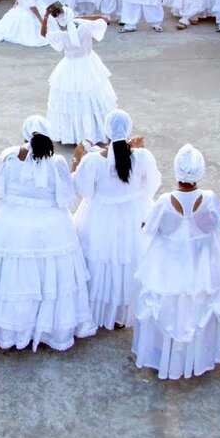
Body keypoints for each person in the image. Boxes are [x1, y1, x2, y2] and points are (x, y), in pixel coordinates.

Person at [0, 116, 95, 351]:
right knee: (50, 283)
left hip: (9, 225)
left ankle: (12, 329)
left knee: (13, 281)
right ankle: (48, 329)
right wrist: (76, 164)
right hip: (51, 227)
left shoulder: (8, 156)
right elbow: (65, 198)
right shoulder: (57, 162)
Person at [132, 144, 220, 379]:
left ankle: (164, 354)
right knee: (196, 309)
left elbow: (147, 229)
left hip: (167, 267)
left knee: (167, 308)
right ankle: (193, 357)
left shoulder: (165, 201)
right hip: (200, 268)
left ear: (176, 170)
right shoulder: (208, 199)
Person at [72, 109, 160, 330]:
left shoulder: (93, 160)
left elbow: (83, 189)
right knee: (127, 260)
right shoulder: (142, 156)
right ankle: (122, 313)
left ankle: (98, 308)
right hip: (133, 213)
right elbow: (151, 186)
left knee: (102, 260)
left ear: (106, 131)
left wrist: (77, 160)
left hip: (100, 215)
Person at [42, 3, 117, 144]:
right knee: (92, 97)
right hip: (89, 64)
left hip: (70, 67)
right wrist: (79, 17)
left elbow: (43, 34)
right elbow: (101, 19)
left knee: (72, 100)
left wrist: (46, 17)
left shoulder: (62, 35)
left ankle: (74, 133)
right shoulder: (85, 26)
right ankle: (97, 128)